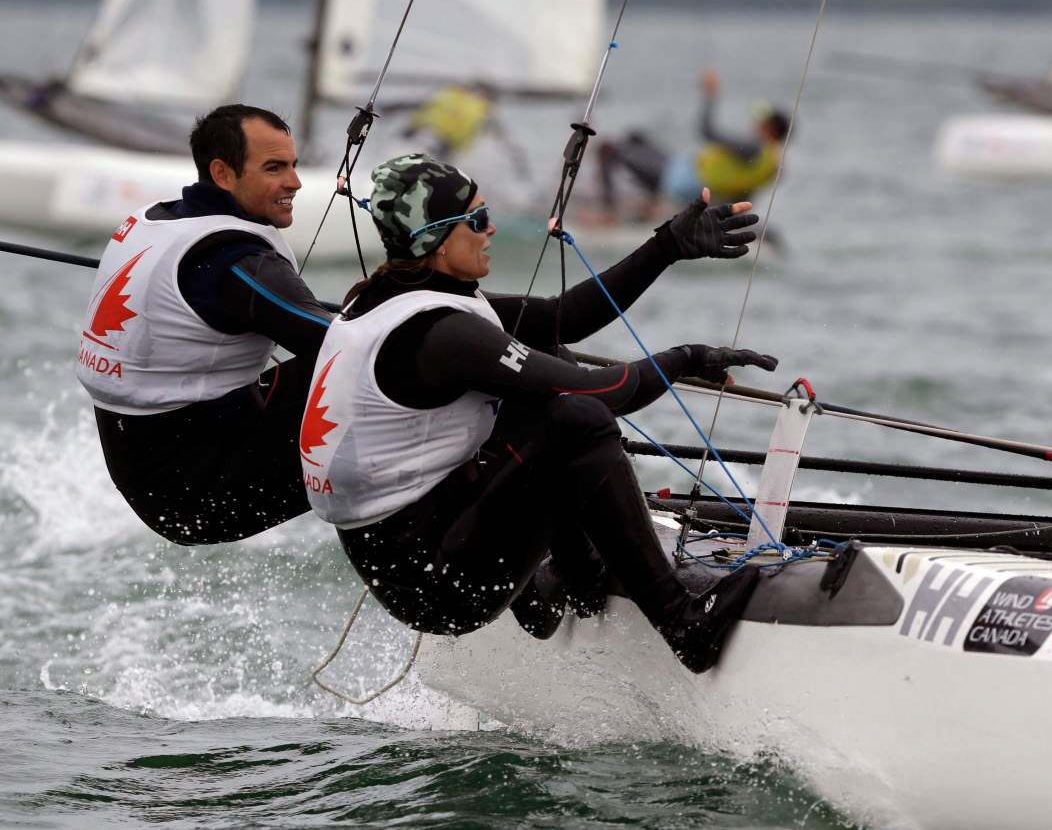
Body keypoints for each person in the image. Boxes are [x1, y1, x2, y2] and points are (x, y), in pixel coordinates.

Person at [298, 153, 779, 673]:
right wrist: (685, 358)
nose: (492, 229)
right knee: (578, 418)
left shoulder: (389, 298)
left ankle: (570, 585)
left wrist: (667, 246)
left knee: (545, 380)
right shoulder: (445, 335)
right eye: (478, 220)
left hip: (415, 551)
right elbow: (605, 392)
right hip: (439, 586)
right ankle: (684, 626)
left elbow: (560, 318)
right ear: (433, 241)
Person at [75, 104, 333, 545]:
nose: (295, 182)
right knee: (402, 362)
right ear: (223, 172)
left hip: (158, 467)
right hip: (200, 496)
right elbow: (357, 349)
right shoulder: (236, 264)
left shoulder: (161, 218)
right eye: (275, 168)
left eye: (294, 165)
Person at [597, 69, 788, 217]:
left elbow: (707, 131)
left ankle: (607, 209)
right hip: (679, 168)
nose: (754, 124)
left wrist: (710, 95)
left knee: (609, 149)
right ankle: (643, 203)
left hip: (674, 181)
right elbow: (742, 196)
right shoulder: (770, 160)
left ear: (771, 130)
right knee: (635, 137)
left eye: (761, 122)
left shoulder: (753, 149)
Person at [402, 82, 531, 179]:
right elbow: (504, 138)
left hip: (415, 134)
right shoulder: (484, 110)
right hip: (443, 144)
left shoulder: (450, 93)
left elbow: (417, 104)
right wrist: (518, 161)